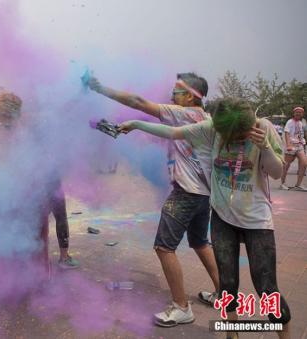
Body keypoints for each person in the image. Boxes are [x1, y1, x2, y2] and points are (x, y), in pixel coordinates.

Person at [117, 98, 292, 339]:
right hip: (222, 219)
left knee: (267, 289)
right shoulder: (212, 127)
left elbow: (277, 172)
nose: (237, 139)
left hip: (257, 221)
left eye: (242, 135)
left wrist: (265, 148)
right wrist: (136, 123)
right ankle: (233, 334)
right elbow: (173, 131)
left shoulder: (263, 128)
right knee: (228, 285)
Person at [87, 73, 219, 327]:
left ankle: (181, 307)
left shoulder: (185, 113)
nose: (171, 96)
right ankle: (224, 294)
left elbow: (137, 101)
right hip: (202, 194)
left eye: (176, 92)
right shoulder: (205, 118)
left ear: (191, 96)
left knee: (164, 247)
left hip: (186, 193)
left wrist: (99, 87)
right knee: (201, 242)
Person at [0, 92, 79, 303]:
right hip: (2, 194)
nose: (6, 124)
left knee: (33, 238)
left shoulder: (29, 125)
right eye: (2, 119)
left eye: (9, 119)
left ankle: (36, 282)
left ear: (18, 115)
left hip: (27, 194)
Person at [279, 106, 306, 191]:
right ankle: (282, 183)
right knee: (286, 165)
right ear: (294, 113)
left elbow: (301, 134)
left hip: (299, 145)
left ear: (302, 114)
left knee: (304, 163)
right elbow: (287, 133)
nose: (298, 113)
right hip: (291, 145)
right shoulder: (289, 122)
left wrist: (303, 142)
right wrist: (288, 145)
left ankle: (298, 185)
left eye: (300, 112)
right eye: (297, 112)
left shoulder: (301, 123)